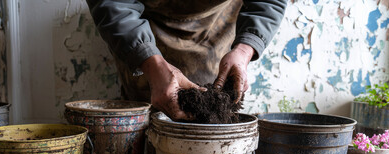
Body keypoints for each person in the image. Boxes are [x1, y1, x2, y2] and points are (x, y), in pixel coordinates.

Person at [86, 0, 287, 121]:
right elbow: (112, 3)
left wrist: (244, 50)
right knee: (149, 132)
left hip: (216, 28)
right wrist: (149, 60)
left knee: (212, 115)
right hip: (141, 28)